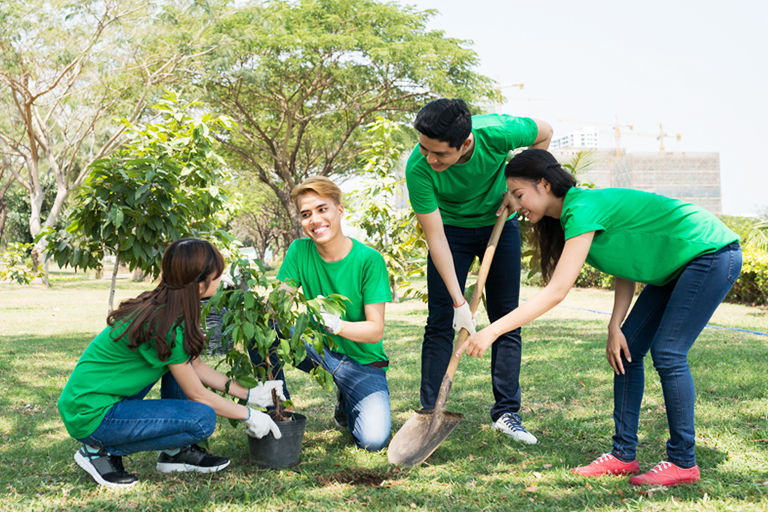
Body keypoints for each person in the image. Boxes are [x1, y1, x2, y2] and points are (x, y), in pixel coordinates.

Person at [458, 148, 741, 487]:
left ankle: (683, 462)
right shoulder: (574, 215)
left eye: (520, 195)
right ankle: (623, 455)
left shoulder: (581, 208)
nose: (518, 206)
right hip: (680, 265)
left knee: (668, 352)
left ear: (545, 185)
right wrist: (615, 325)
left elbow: (557, 291)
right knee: (628, 349)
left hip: (709, 253)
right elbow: (626, 262)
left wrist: (493, 331)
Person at [58, 239, 286, 488]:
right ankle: (95, 450)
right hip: (92, 414)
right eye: (217, 276)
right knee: (202, 420)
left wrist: (250, 393)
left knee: (178, 372)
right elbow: (198, 395)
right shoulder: (165, 325)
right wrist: (249, 415)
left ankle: (174, 452)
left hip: (101, 398)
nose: (222, 281)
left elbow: (194, 366)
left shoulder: (167, 307)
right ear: (199, 285)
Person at [405, 98, 552, 443]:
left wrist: (517, 190)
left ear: (466, 143)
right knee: (440, 320)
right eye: (424, 149)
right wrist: (459, 301)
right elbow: (435, 236)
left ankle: (506, 413)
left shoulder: (497, 133)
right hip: (450, 232)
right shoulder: (418, 167)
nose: (430, 158)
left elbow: (544, 133)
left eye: (439, 153)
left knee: (506, 318)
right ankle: (431, 411)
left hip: (498, 224)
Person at [248, 176, 393, 452]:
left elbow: (375, 330)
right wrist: (249, 299)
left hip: (363, 363)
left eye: (322, 209)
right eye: (306, 214)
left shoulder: (368, 260)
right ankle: (280, 409)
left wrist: (338, 325)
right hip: (319, 352)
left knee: (373, 441)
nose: (314, 220)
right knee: (263, 326)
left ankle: (347, 399)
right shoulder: (299, 251)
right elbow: (277, 304)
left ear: (339, 210)